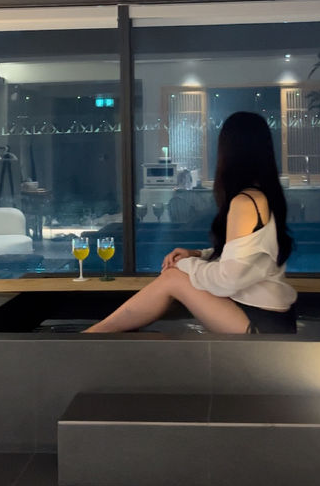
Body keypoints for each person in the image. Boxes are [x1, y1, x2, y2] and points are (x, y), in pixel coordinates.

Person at [83, 111, 297, 334]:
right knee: (172, 281)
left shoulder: (245, 202)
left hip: (260, 324)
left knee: (172, 278)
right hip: (272, 317)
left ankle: (93, 336)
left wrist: (184, 265)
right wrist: (197, 255)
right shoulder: (264, 195)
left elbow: (228, 279)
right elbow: (246, 257)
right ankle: (98, 334)